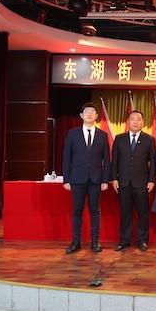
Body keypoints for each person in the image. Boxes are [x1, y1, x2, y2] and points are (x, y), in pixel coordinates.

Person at [62, 102, 110, 254]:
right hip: (77, 179)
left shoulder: (103, 135)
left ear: (96, 116)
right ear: (81, 115)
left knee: (95, 211)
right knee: (77, 211)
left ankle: (95, 242)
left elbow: (106, 159)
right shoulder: (72, 134)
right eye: (87, 111)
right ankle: (75, 242)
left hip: (96, 180)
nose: (89, 114)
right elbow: (66, 157)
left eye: (92, 111)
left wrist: (105, 180)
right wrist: (66, 179)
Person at [111, 110, 156, 252]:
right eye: (132, 119)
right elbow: (115, 161)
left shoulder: (149, 139)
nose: (135, 122)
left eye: (138, 119)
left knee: (143, 214)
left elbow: (153, 162)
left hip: (142, 183)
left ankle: (142, 240)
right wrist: (114, 178)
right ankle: (124, 241)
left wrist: (151, 180)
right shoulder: (119, 139)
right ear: (128, 122)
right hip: (123, 182)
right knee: (125, 213)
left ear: (143, 122)